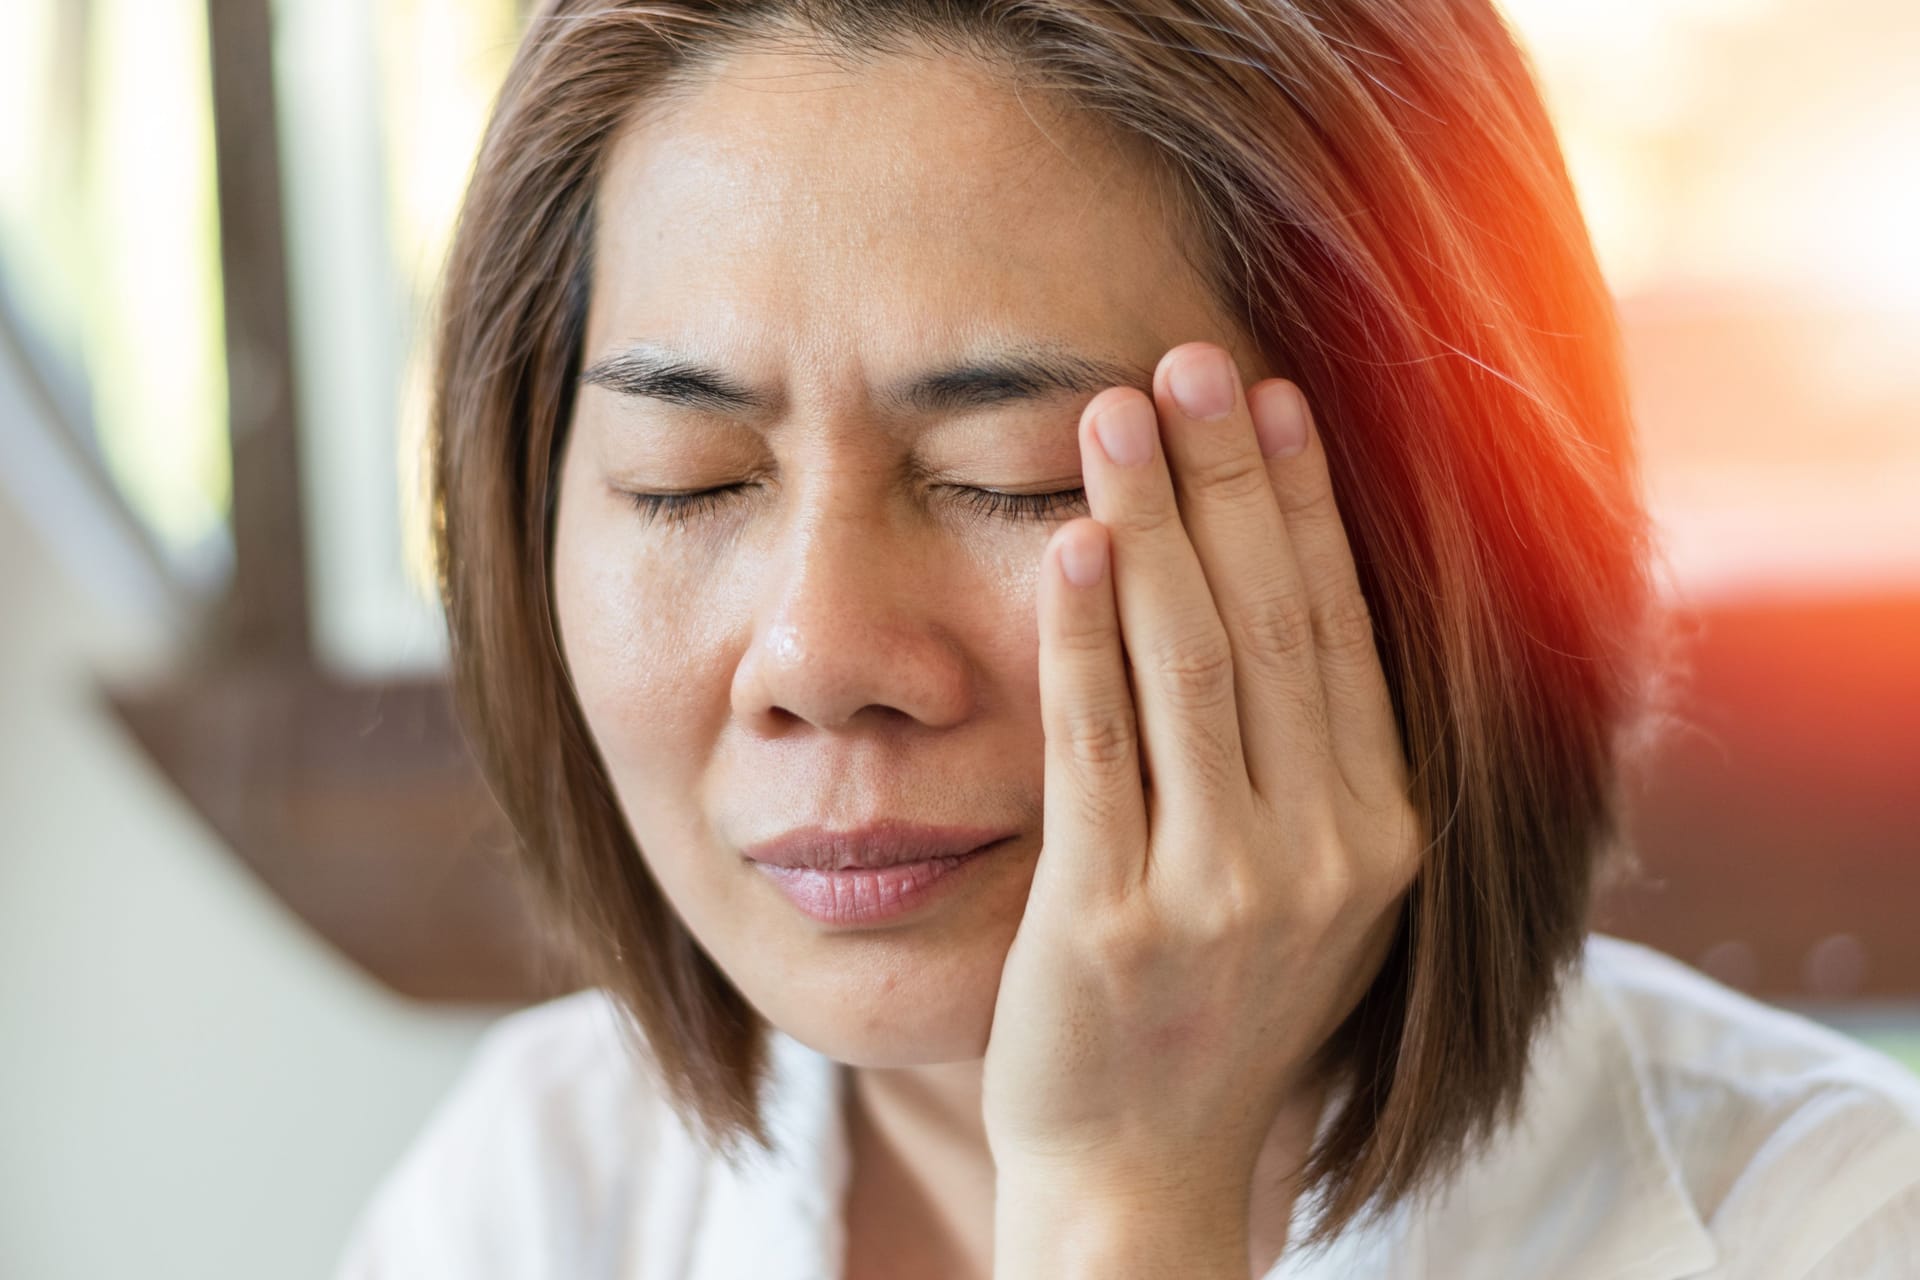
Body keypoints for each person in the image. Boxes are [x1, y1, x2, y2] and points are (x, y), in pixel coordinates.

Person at [334, 1, 1920, 1276]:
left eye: (1010, 480)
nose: (820, 656)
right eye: (686, 486)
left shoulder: (1827, 1232)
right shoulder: (541, 1194)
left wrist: (1122, 1203)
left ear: (1423, 535)